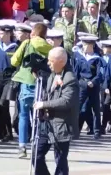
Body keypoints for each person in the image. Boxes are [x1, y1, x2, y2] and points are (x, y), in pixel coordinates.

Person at [31, 47, 79, 175]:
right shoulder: (53, 74)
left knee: (60, 161)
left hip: (61, 125)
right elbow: (48, 93)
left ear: (62, 62)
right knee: (36, 155)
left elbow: (66, 101)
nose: (48, 63)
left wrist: (44, 104)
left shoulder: (70, 78)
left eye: (51, 61)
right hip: (47, 124)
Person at [11, 23, 52, 158]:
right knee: (40, 116)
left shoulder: (27, 43)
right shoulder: (50, 47)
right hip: (43, 84)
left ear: (33, 33)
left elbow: (14, 61)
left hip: (27, 82)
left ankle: (22, 146)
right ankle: (38, 144)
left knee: (23, 115)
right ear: (45, 34)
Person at [0, 20, 17, 142]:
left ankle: (8, 132)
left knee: (4, 104)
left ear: (9, 33)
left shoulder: (15, 47)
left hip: (9, 78)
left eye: (2, 33)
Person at [74, 35, 105, 139]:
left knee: (95, 109)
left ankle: (97, 130)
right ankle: (75, 131)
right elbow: (76, 72)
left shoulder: (97, 59)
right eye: (83, 44)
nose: (84, 47)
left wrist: (94, 81)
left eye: (86, 45)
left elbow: (100, 74)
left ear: (91, 45)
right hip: (82, 84)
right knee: (77, 107)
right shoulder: (80, 58)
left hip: (93, 85)